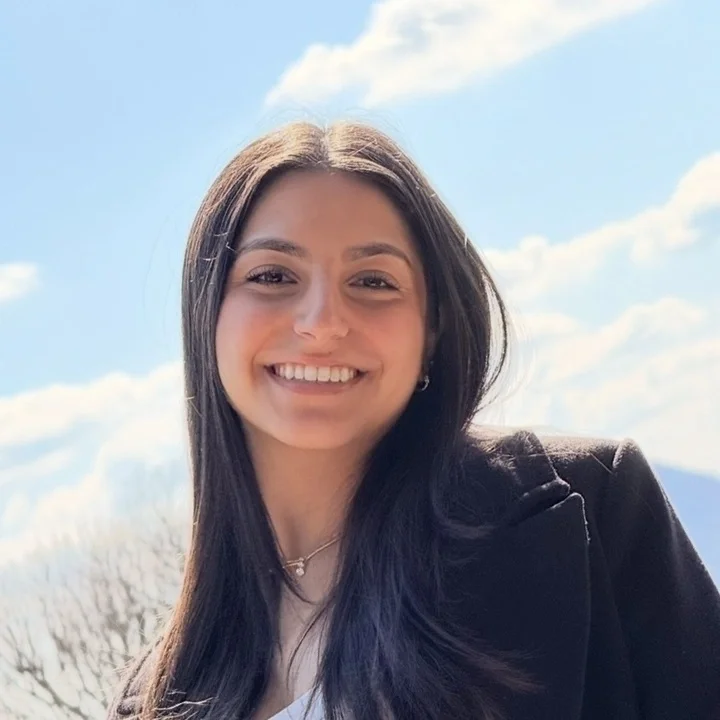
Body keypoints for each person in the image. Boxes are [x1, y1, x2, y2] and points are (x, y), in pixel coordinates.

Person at [106, 121, 720, 720]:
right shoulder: (152, 696)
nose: (322, 322)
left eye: (373, 281)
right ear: (207, 315)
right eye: (272, 276)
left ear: (432, 331)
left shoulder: (590, 511)